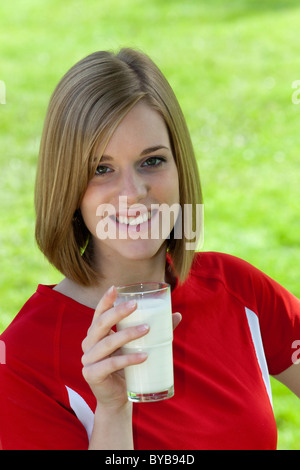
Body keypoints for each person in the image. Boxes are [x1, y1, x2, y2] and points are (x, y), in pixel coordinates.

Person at [0, 48, 300, 450]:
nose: (133, 193)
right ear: (67, 187)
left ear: (180, 168)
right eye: (100, 169)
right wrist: (112, 411)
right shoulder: (21, 360)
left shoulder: (239, 289)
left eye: (152, 161)